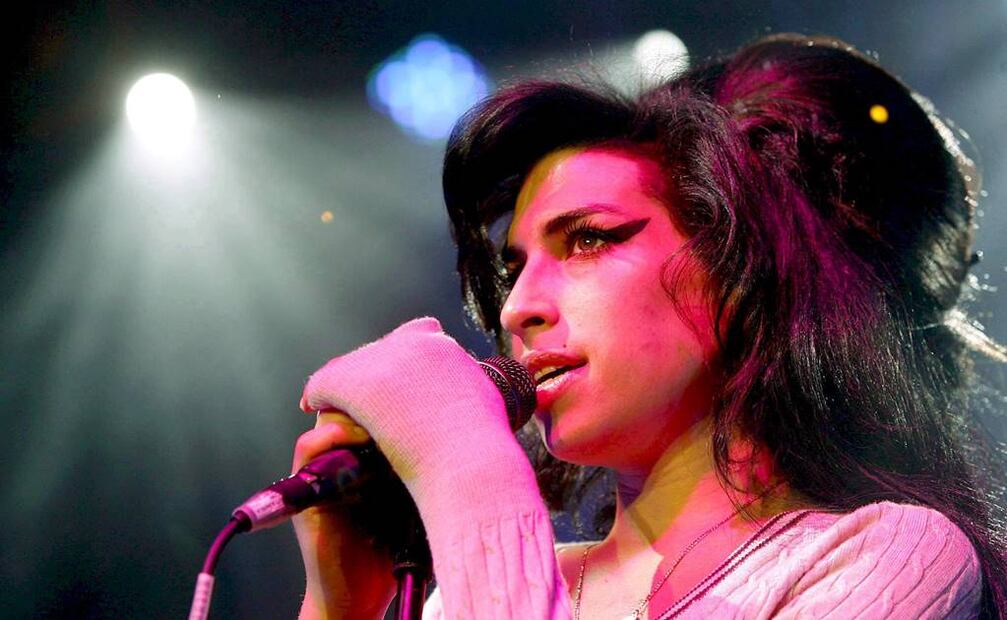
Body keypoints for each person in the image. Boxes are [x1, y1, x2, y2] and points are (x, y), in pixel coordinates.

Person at [292, 34, 1006, 619]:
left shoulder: (880, 556)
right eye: (514, 269)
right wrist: (339, 607)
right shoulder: (459, 600)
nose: (516, 309)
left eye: (589, 239)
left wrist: (464, 464)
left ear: (736, 271)